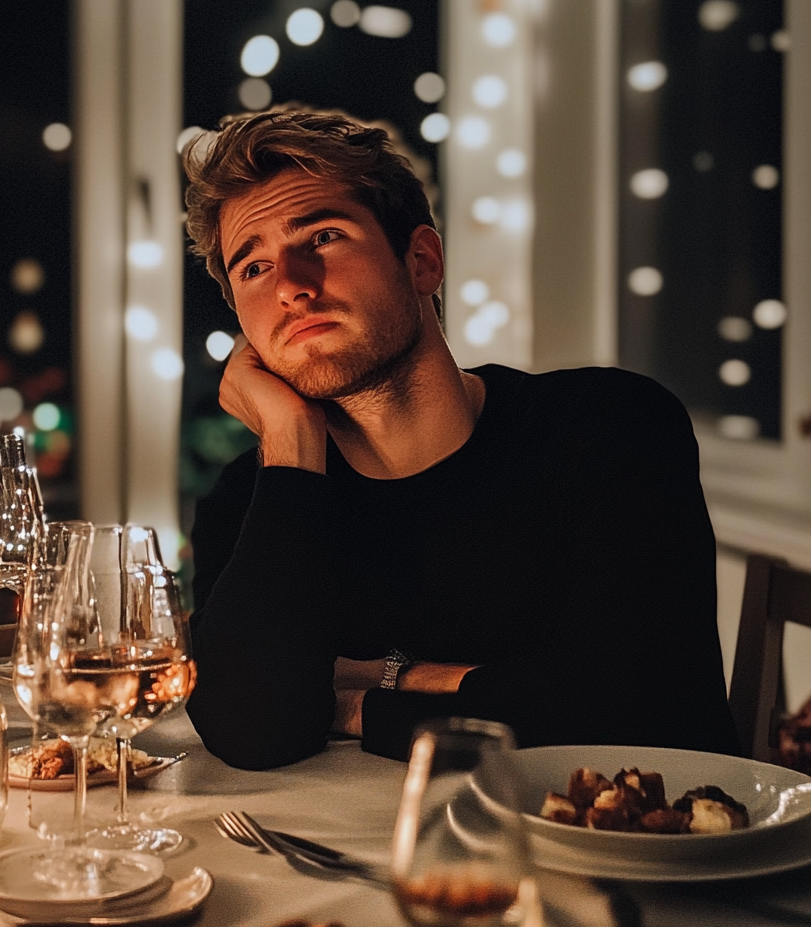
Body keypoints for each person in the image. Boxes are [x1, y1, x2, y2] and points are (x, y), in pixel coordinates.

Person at [181, 109, 740, 770]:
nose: (294, 288)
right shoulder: (254, 495)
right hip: (369, 863)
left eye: (324, 237)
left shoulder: (610, 428)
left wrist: (368, 695)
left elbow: (652, 711)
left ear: (422, 261)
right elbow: (252, 729)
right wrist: (292, 436)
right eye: (254, 268)